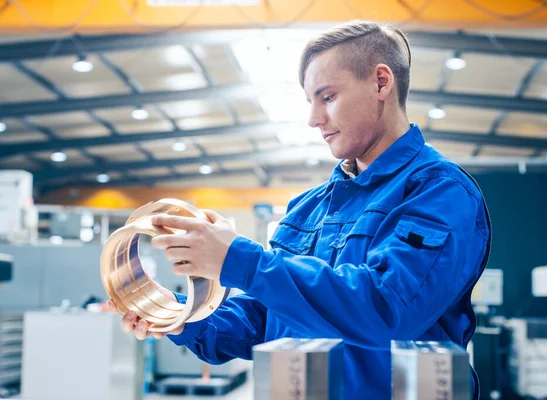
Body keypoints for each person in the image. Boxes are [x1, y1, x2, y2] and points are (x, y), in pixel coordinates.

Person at [109, 20, 491, 399]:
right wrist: (176, 314)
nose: (314, 119)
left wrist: (241, 261)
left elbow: (387, 310)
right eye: (311, 101)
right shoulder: (308, 208)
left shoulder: (439, 191)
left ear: (380, 82)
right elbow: (264, 320)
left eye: (327, 97)